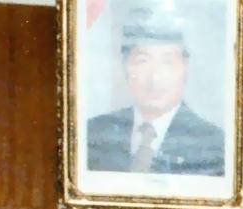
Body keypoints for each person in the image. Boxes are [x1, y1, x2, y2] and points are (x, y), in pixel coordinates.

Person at [84, 5, 225, 176]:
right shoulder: (93, 134)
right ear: (125, 66)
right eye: (142, 61)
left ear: (185, 67)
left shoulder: (215, 145)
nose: (155, 78)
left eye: (168, 62)